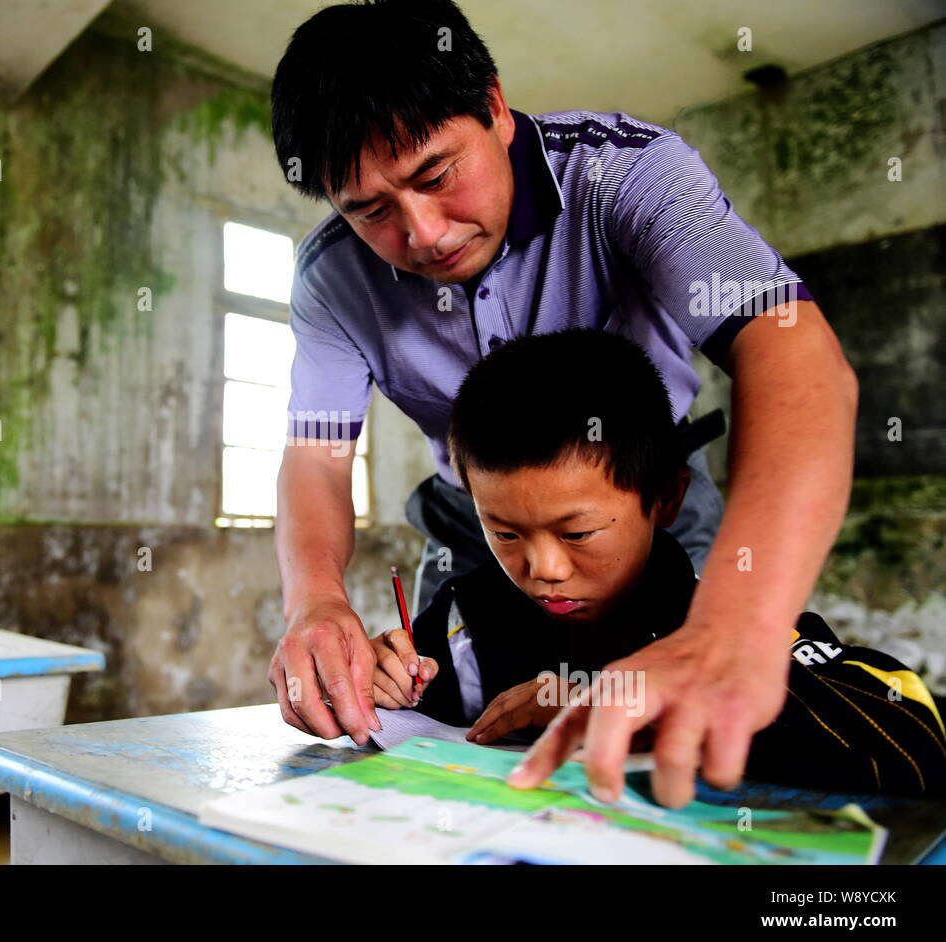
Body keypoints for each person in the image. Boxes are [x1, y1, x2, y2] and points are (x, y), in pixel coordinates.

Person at [267, 0, 859, 808]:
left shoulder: (630, 175)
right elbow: (316, 456)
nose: (426, 232)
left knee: (706, 730)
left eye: (437, 175)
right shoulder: (330, 279)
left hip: (642, 503)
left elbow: (790, 348)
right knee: (458, 700)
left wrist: (736, 626)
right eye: (370, 210)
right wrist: (317, 604)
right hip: (474, 515)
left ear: (497, 108)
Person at [369, 329, 946, 801]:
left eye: (577, 532)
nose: (542, 568)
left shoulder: (719, 623)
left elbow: (919, 741)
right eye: (504, 531)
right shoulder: (464, 618)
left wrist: (611, 702)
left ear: (665, 499)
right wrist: (383, 680)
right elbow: (415, 717)